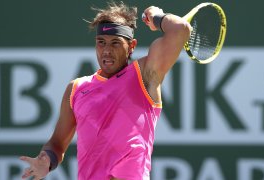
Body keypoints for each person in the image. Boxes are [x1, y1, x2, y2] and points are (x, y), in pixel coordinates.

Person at [20, 1, 191, 180]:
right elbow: (56, 143)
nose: (107, 51)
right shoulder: (76, 88)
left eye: (115, 43)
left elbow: (180, 29)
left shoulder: (145, 75)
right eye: (101, 42)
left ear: (131, 46)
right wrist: (46, 160)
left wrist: (157, 16)